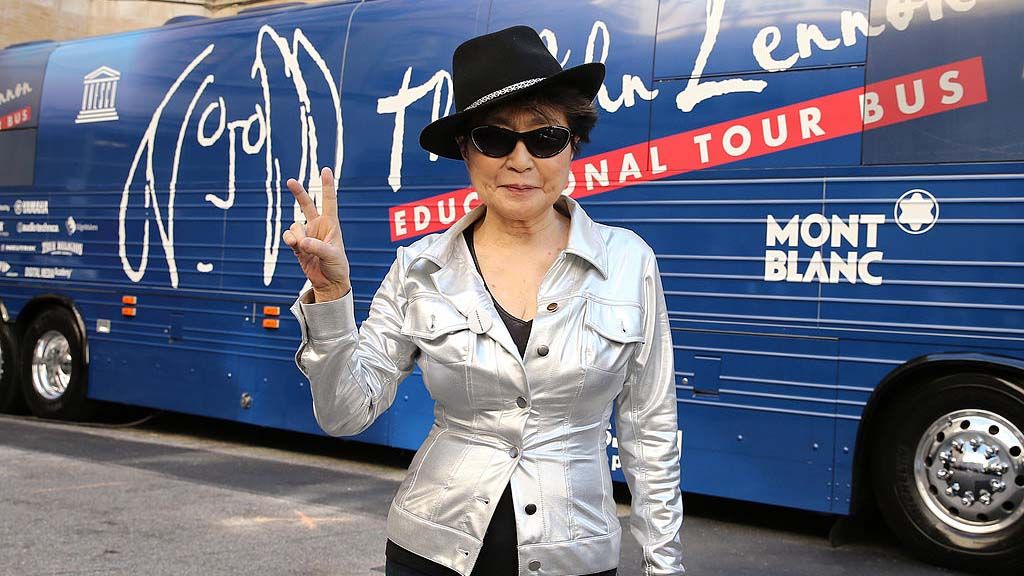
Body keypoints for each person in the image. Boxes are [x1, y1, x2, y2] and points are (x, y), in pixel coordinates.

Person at [285, 26, 684, 576]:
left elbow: (649, 426)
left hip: (576, 560)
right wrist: (331, 297)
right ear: (467, 153)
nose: (520, 160)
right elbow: (344, 413)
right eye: (495, 139)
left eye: (544, 138)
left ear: (572, 146)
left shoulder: (630, 263)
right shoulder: (420, 268)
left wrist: (665, 565)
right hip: (430, 554)